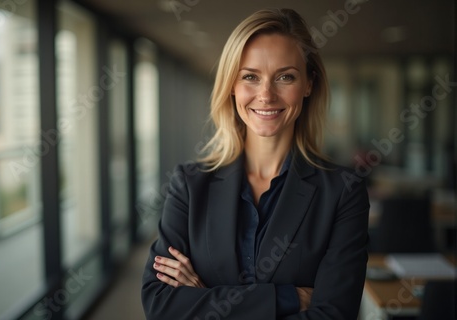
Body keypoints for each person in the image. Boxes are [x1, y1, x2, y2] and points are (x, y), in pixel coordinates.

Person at [141, 8, 369, 320]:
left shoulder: (344, 191)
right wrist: (288, 298)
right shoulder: (189, 185)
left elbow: (333, 314)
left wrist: (204, 296)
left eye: (285, 77)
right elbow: (160, 304)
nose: (266, 94)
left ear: (308, 84)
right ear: (231, 86)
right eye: (250, 76)